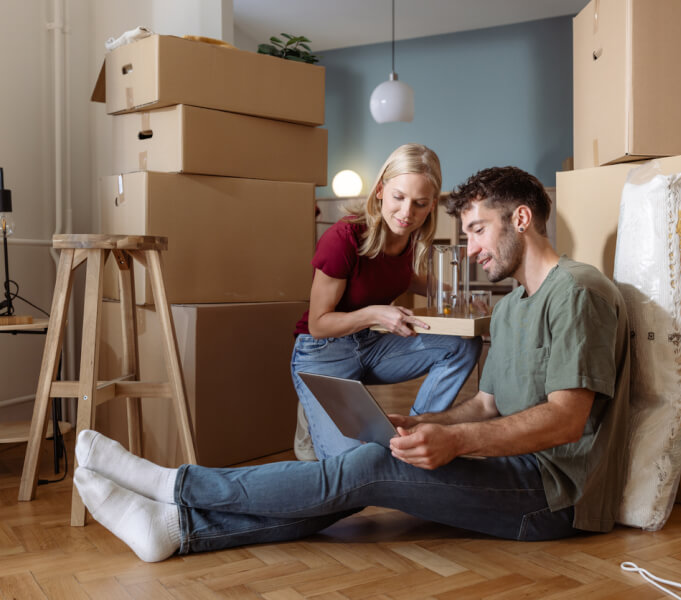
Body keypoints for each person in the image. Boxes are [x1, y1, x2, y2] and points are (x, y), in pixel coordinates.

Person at [73, 166, 631, 563]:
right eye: (464, 234)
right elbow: (487, 405)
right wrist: (423, 426)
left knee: (365, 470)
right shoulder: (512, 308)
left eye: (478, 230)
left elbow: (567, 420)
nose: (471, 248)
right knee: (370, 457)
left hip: (552, 498)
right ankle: (176, 530)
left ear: (523, 218)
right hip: (510, 472)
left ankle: (174, 486)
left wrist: (457, 444)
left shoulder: (577, 291)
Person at [291, 143, 482, 460]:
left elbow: (400, 275)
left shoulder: (409, 239)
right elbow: (318, 324)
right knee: (356, 465)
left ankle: (416, 431)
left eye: (420, 204)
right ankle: (313, 420)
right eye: (399, 197)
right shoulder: (342, 239)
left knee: (463, 344)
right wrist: (373, 314)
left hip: (372, 345)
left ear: (432, 204)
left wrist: (459, 295)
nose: (408, 213)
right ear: (380, 190)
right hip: (323, 352)